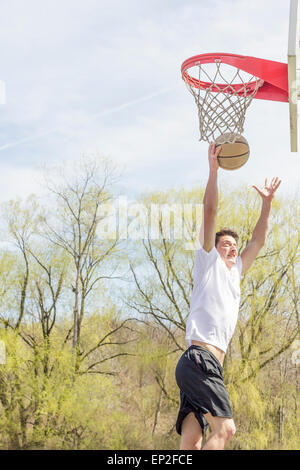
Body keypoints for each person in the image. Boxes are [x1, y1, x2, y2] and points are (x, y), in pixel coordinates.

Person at [175, 142, 281, 450]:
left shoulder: (235, 273)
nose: (232, 248)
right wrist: (213, 171)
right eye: (226, 244)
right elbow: (210, 210)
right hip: (200, 361)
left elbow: (259, 240)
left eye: (235, 245)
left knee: (192, 442)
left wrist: (267, 204)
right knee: (226, 430)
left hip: (200, 365)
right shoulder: (208, 263)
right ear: (213, 247)